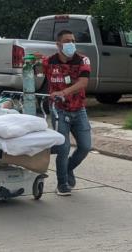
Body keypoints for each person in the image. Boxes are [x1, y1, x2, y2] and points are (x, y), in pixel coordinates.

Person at [39, 30, 92, 196]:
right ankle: (62, 183)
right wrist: (31, 61)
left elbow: (83, 82)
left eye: (73, 41)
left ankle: (67, 169)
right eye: (67, 41)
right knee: (63, 148)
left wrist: (64, 92)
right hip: (59, 111)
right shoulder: (49, 62)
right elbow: (34, 72)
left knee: (85, 146)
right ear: (58, 44)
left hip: (79, 109)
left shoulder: (82, 60)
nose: (71, 44)